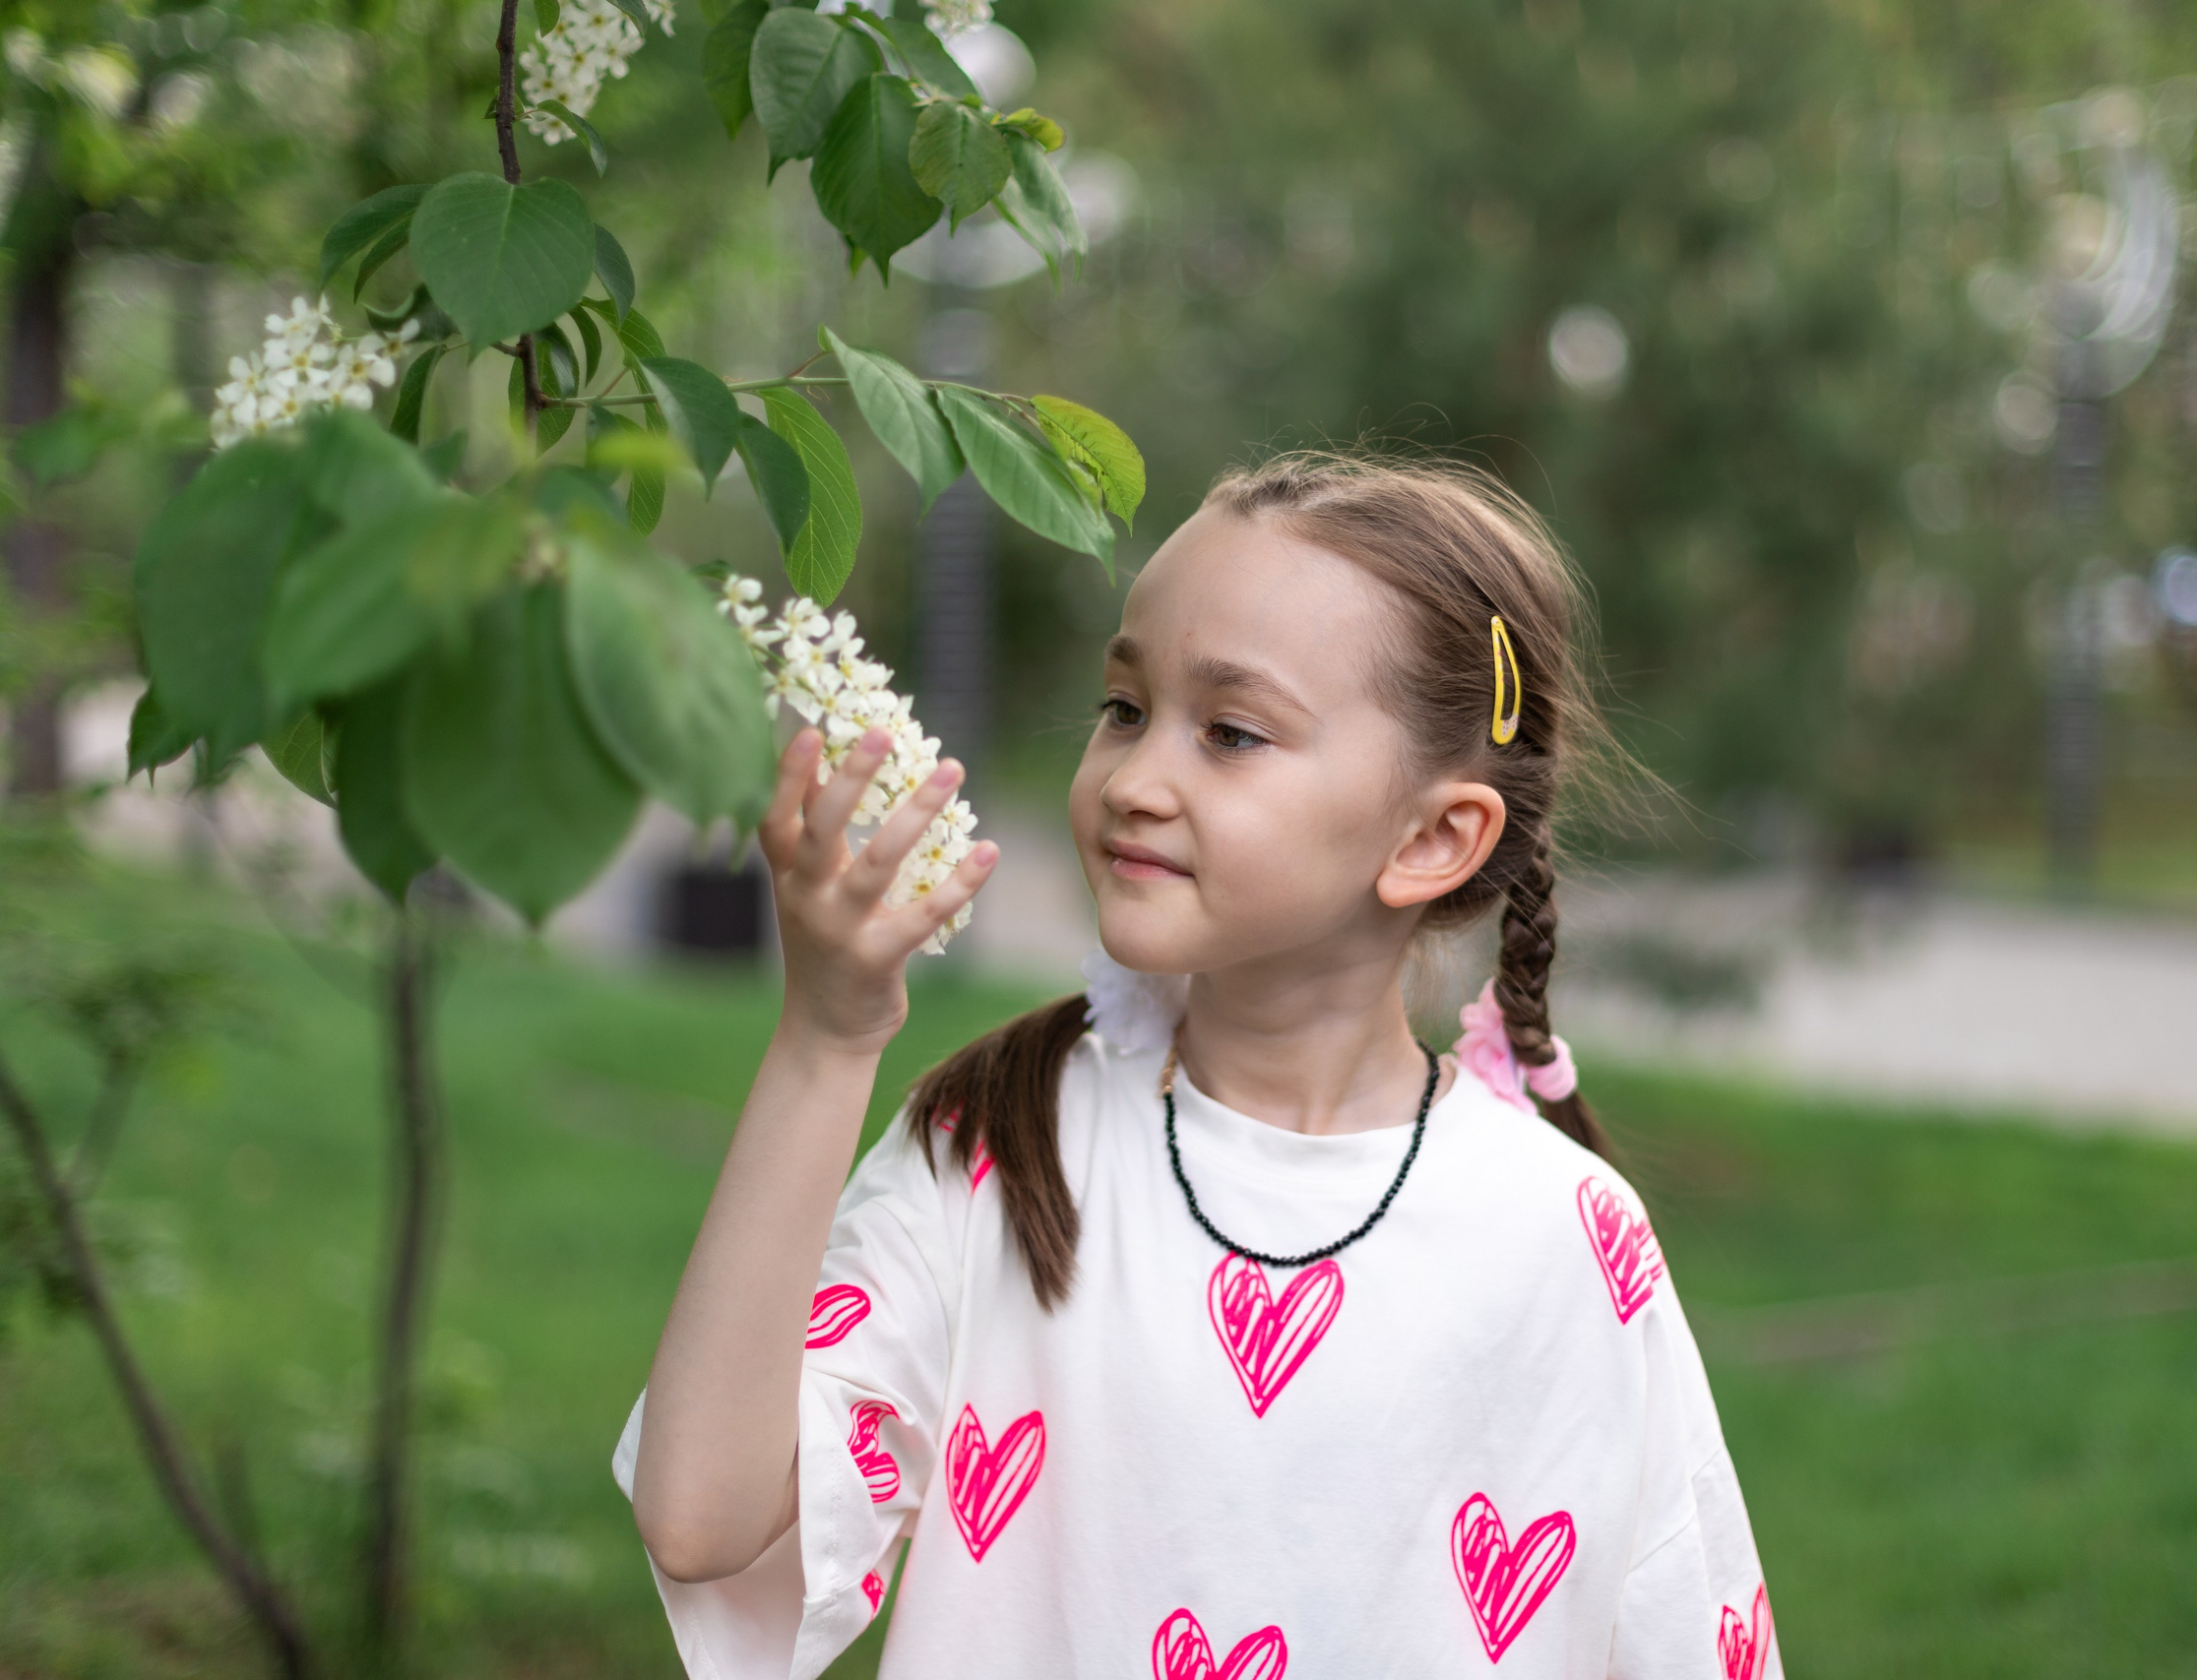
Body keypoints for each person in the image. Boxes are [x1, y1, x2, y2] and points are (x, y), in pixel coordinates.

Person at [617, 454, 1781, 1678]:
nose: (1133, 779)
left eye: (1229, 733)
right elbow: (701, 1521)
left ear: (1435, 836)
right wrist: (827, 1038)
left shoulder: (1564, 1234)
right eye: (1124, 708)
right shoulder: (997, 1146)